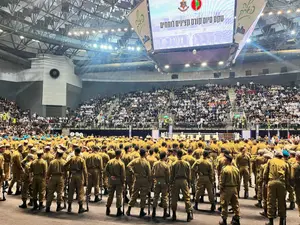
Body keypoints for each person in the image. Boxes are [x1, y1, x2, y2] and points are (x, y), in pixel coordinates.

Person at [263, 151, 289, 225]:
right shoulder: (285, 163)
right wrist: (287, 186)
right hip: (282, 183)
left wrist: (265, 182)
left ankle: (271, 221)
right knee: (282, 202)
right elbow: (287, 176)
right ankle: (282, 221)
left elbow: (265, 172)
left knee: (271, 201)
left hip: (272, 182)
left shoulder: (270, 161)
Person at [126, 149, 151, 217]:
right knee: (143, 196)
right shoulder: (146, 162)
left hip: (137, 179)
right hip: (144, 180)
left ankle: (128, 210)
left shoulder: (135, 160)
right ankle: (141, 211)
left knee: (134, 195)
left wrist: (133, 172)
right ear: (144, 154)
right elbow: (149, 174)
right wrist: (149, 182)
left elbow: (128, 166)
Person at [170, 149, 193, 222]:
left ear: (177, 155)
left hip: (176, 181)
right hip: (184, 181)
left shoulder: (174, 164)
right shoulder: (186, 163)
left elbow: (172, 175)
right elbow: (189, 174)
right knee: (187, 197)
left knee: (174, 198)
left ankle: (174, 214)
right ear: (182, 155)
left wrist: (171, 183)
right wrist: (189, 183)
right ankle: (188, 215)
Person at [64, 147, 88, 214]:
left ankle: (69, 207)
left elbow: (65, 165)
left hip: (72, 176)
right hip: (79, 176)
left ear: (75, 152)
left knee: (71, 191)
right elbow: (85, 170)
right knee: (80, 191)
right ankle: (80, 207)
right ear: (80, 153)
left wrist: (69, 170)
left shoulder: (71, 159)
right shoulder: (82, 160)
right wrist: (86, 179)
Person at [219, 154, 240, 225]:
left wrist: (221, 189)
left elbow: (222, 181)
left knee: (224, 204)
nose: (224, 161)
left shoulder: (224, 169)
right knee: (235, 204)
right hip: (234, 188)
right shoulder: (236, 169)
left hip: (226, 189)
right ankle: (237, 219)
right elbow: (238, 180)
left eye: (225, 160)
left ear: (228, 161)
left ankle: (224, 221)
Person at [105, 149, 125, 216]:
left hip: (111, 180)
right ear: (120, 154)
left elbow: (106, 170)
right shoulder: (121, 163)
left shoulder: (110, 162)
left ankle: (108, 208)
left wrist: (110, 176)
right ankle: (118, 210)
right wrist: (123, 182)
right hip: (118, 180)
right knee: (119, 195)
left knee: (110, 195)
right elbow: (122, 174)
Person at [152, 151, 170, 219]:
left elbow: (152, 172)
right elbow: (168, 175)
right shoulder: (166, 165)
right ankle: (165, 213)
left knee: (155, 196)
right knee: (164, 197)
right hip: (163, 181)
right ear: (164, 157)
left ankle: (154, 212)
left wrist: (154, 179)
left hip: (157, 181)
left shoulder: (155, 163)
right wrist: (168, 183)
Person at [291, 151, 300, 217]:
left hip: (298, 186)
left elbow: (292, 177)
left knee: (299, 202)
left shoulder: (295, 166)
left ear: (296, 157)